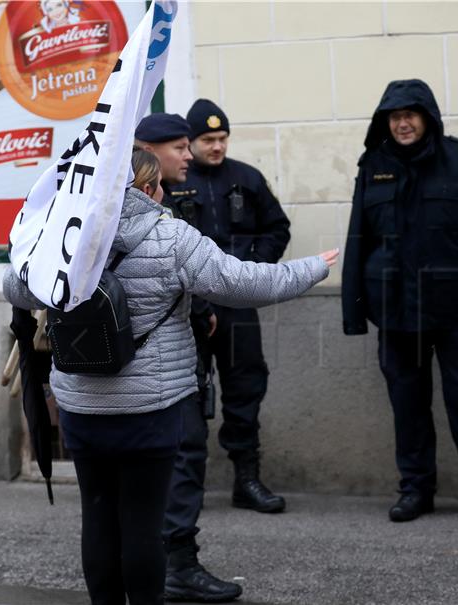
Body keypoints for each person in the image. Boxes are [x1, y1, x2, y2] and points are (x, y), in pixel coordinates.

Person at [3, 142, 339, 605]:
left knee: (97, 517)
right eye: (158, 183)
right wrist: (311, 269)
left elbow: (15, 287)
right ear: (145, 188)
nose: (165, 190)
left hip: (80, 406)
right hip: (150, 408)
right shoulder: (171, 237)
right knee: (143, 523)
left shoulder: (66, 234)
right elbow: (241, 284)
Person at [341, 79, 458, 523]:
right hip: (396, 313)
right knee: (408, 407)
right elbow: (359, 240)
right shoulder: (374, 165)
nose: (402, 124)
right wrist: (355, 311)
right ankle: (415, 489)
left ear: (427, 117)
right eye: (394, 117)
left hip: (456, 313)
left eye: (410, 115)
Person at [161, 99, 292, 515]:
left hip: (237, 305)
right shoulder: (172, 181)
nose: (216, 147)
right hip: (188, 308)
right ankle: (186, 487)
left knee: (245, 389)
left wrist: (254, 267)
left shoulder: (246, 178)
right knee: (189, 392)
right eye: (206, 140)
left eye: (222, 138)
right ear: (190, 142)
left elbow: (278, 228)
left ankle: (247, 480)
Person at [133, 113, 240, 602]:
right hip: (158, 366)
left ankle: (153, 564)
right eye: (179, 147)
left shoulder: (160, 201)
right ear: (147, 152)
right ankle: (176, 565)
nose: (190, 155)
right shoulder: (144, 208)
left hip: (173, 348)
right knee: (181, 453)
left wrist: (203, 310)